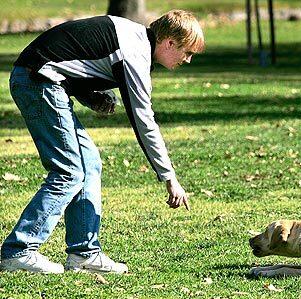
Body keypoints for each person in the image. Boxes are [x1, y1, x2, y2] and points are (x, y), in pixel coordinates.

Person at [0, 10, 204, 274]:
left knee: (90, 164)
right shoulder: (135, 52)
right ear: (170, 43)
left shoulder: (133, 37)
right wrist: (169, 177)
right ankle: (19, 250)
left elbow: (72, 60)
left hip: (42, 80)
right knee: (69, 171)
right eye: (187, 53)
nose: (187, 60)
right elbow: (143, 121)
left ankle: (84, 254)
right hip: (37, 82)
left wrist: (93, 97)